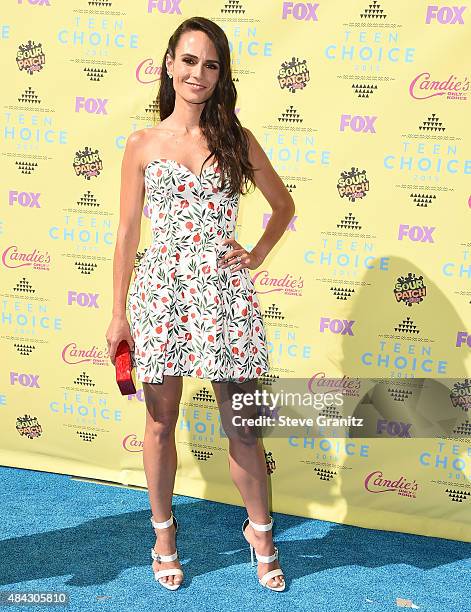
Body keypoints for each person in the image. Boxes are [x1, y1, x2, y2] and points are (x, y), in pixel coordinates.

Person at [105, 16, 295, 592]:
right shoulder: (142, 144)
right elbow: (126, 233)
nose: (199, 73)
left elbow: (283, 206)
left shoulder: (235, 137)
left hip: (223, 295)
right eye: (189, 61)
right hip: (161, 293)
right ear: (169, 64)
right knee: (161, 422)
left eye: (211, 65)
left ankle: (260, 533)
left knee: (243, 426)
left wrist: (256, 253)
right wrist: (118, 314)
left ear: (221, 74)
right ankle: (163, 536)